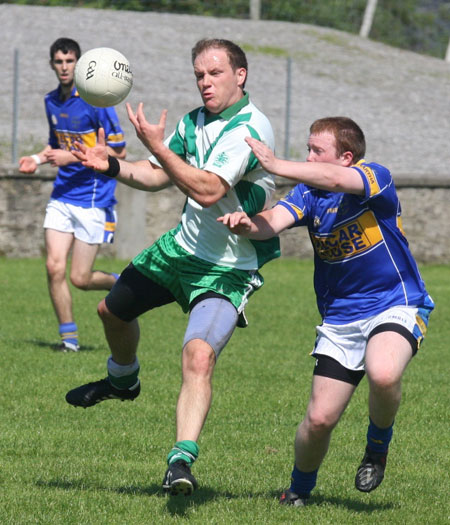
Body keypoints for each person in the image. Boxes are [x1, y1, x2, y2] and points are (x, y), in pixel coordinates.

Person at [65, 38, 280, 495]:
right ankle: (123, 382)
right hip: (178, 251)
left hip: (226, 269)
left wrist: (160, 148)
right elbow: (156, 175)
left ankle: (181, 460)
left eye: (215, 73)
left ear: (240, 75)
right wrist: (113, 166)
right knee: (110, 312)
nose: (205, 82)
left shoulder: (250, 128)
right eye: (199, 74)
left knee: (198, 356)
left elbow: (205, 188)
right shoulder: (193, 121)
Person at [218, 116, 434, 505]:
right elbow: (272, 223)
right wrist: (247, 225)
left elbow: (335, 180)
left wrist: (275, 163)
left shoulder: (375, 177)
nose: (309, 157)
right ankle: (299, 490)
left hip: (395, 302)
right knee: (318, 420)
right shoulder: (307, 194)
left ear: (346, 157)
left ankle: (376, 448)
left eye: (317, 151)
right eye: (308, 148)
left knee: (383, 373)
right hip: (340, 319)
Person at [19, 37, 126, 352]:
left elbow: (118, 149)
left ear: (79, 64)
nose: (64, 67)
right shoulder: (51, 101)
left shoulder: (97, 100)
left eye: (69, 61)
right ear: (52, 64)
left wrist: (75, 156)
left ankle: (124, 282)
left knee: (81, 278)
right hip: (63, 195)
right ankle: (69, 341)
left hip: (94, 198)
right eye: (59, 61)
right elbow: (55, 143)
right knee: (53, 266)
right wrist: (37, 159)